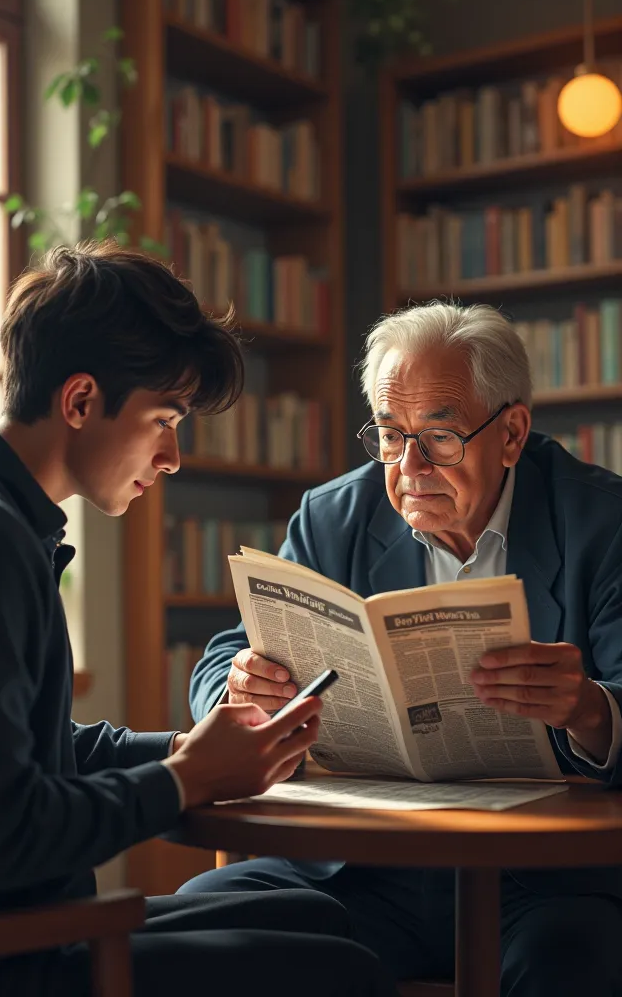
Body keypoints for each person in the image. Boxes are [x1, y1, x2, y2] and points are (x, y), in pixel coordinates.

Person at [0, 241, 389, 997]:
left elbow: (16, 749)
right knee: (349, 974)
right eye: (164, 420)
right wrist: (182, 781)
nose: (173, 457)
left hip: (32, 930)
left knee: (314, 913)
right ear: (80, 402)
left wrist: (188, 749)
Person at [182, 301, 622, 997]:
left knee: (571, 966)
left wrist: (590, 709)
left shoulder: (603, 523)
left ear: (511, 434)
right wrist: (240, 690)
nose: (409, 467)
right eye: (390, 436)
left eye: (440, 437)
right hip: (361, 868)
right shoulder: (335, 516)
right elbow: (222, 658)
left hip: (542, 882)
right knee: (199, 927)